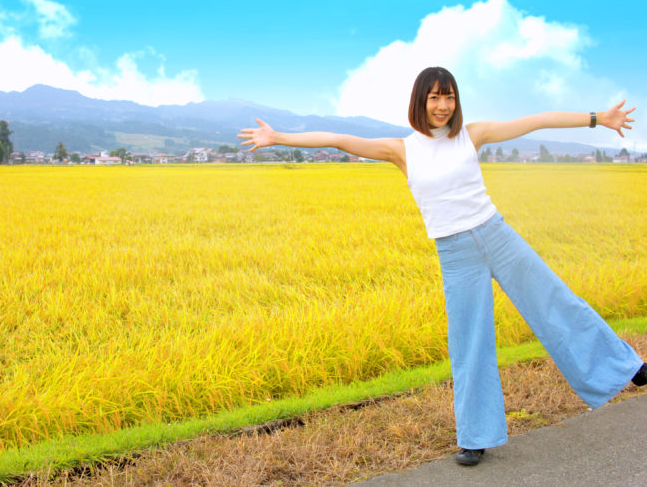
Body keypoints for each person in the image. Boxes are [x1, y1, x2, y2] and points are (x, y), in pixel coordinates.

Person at [238, 66, 646, 466]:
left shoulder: (472, 135)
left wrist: (598, 118)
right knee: (469, 342)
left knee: (555, 300)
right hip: (455, 252)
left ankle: (627, 367)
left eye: (449, 96)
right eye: (435, 97)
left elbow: (535, 120)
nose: (443, 105)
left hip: (497, 235)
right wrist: (278, 137)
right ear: (421, 100)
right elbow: (338, 138)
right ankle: (475, 437)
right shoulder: (402, 150)